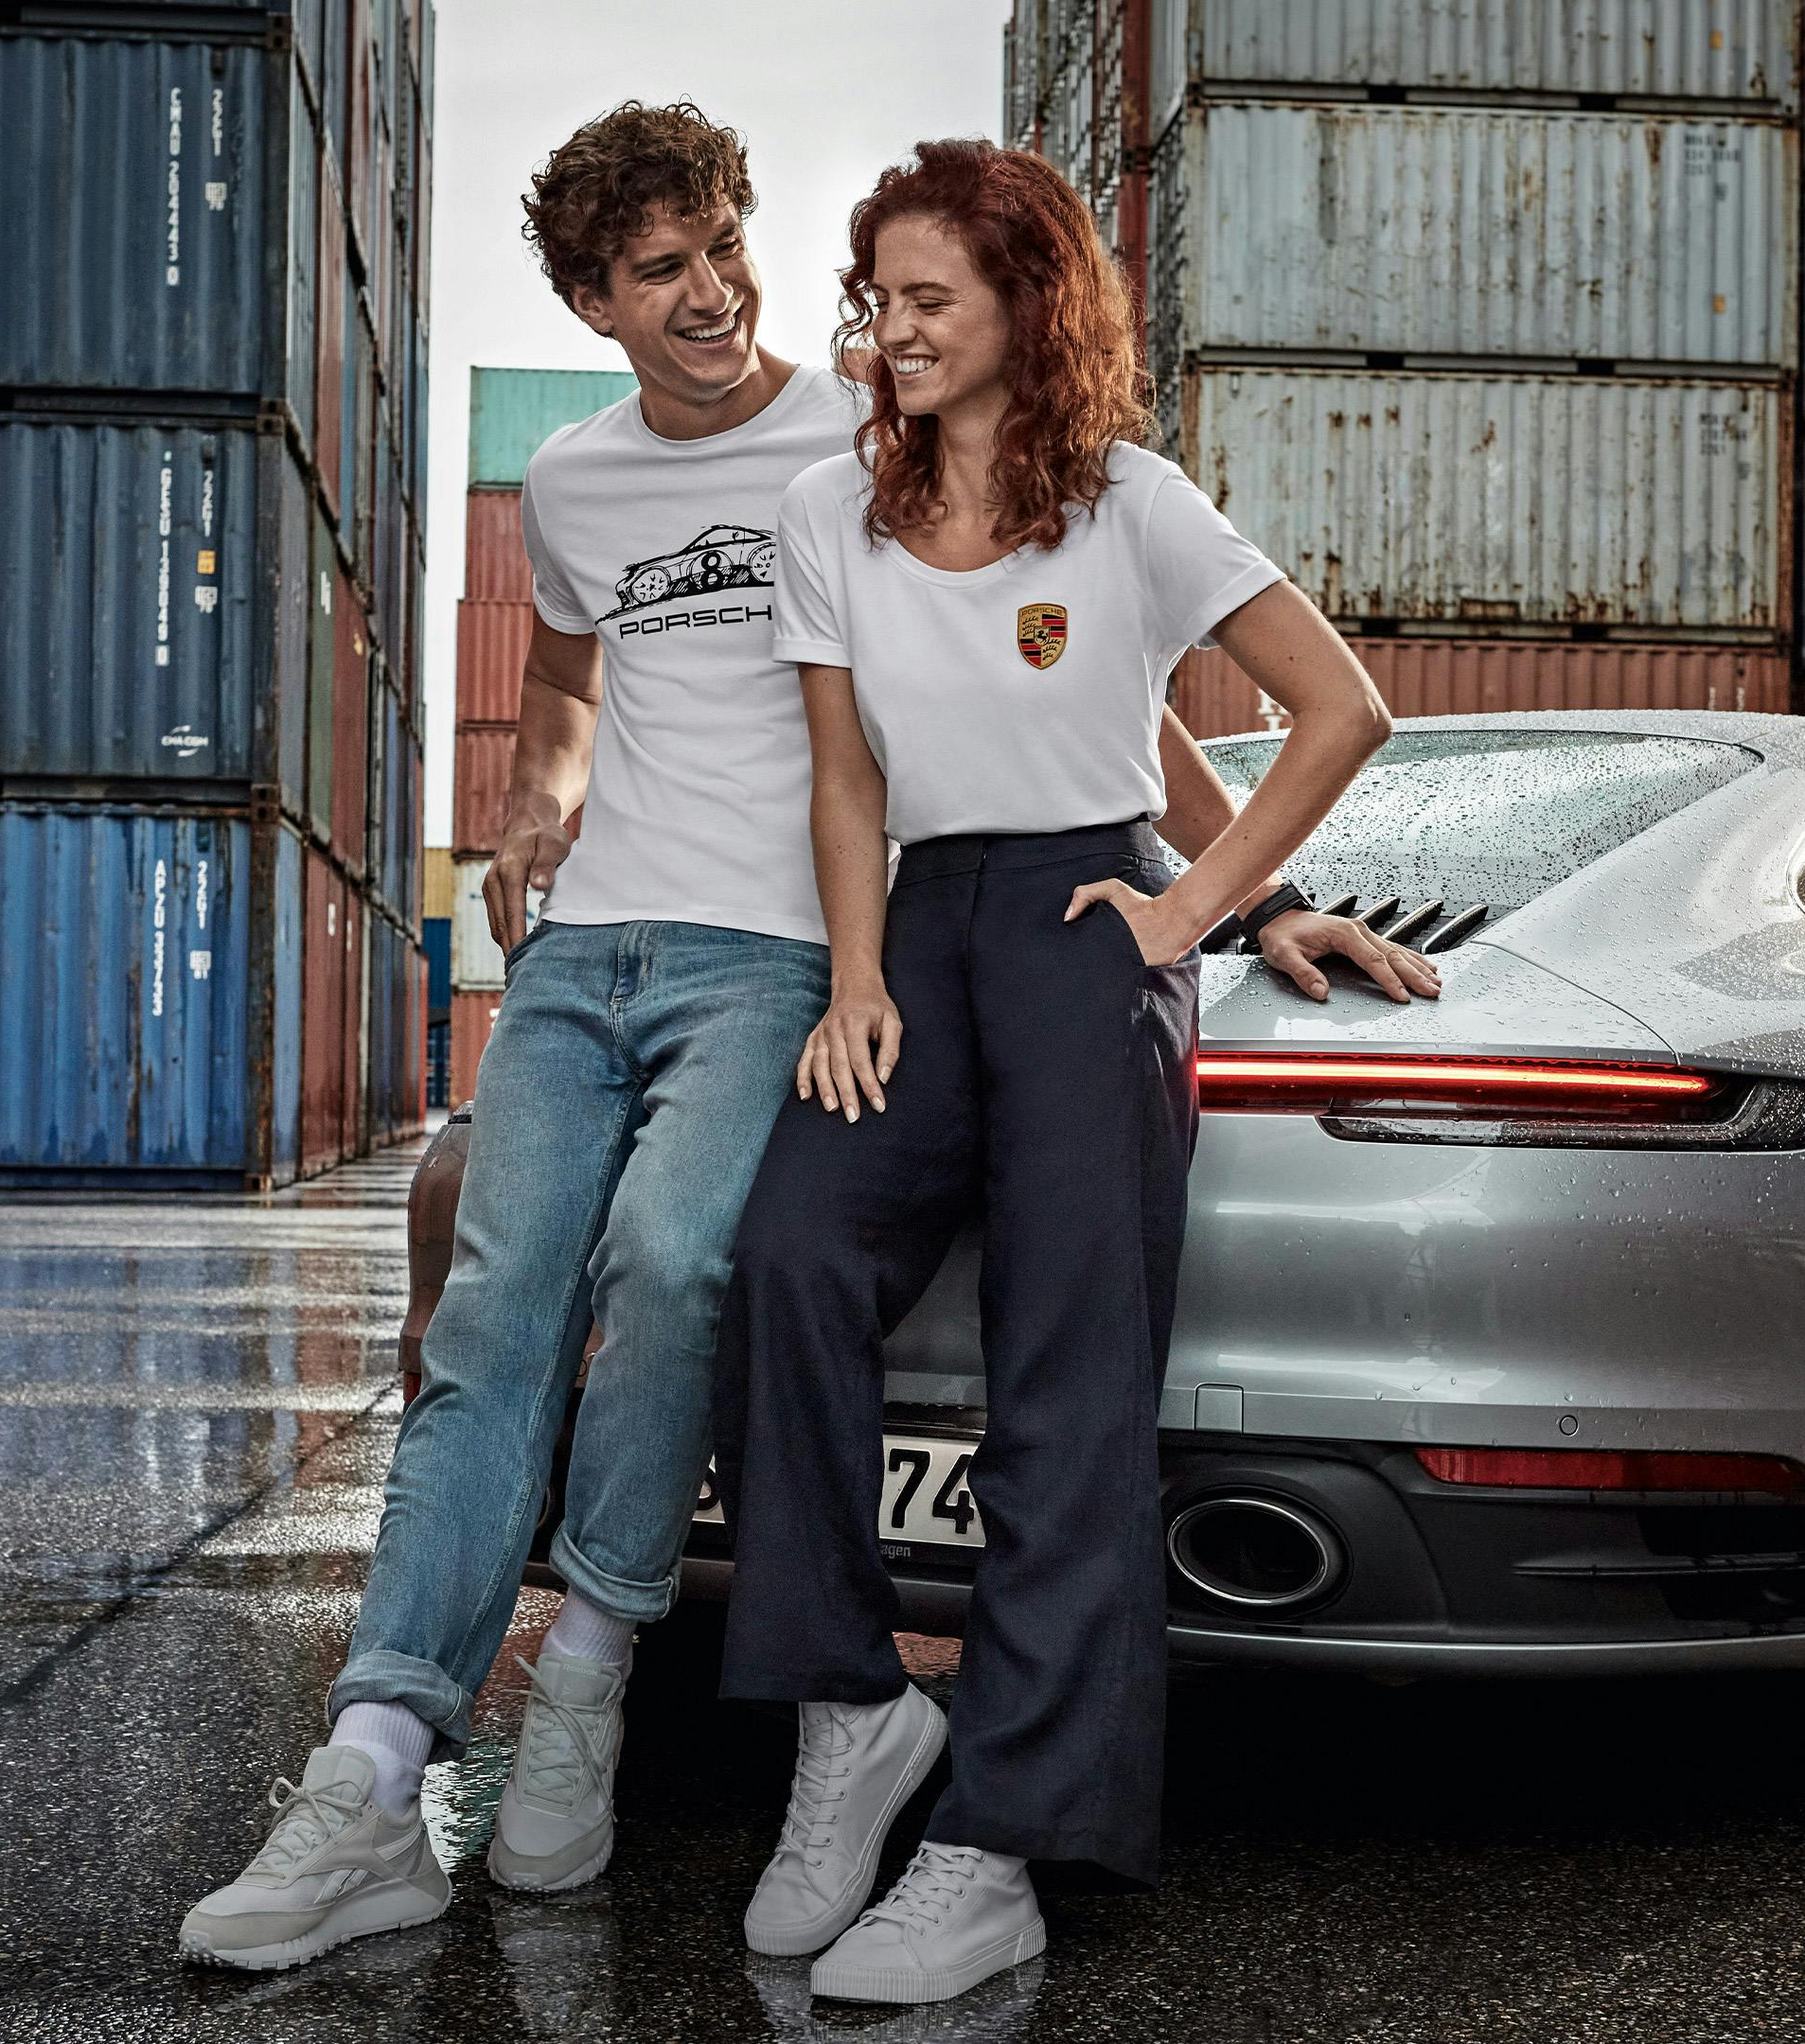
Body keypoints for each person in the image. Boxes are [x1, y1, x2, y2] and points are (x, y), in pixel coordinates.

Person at [177, 106, 1432, 1976]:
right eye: (665, 272)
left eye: (733, 255)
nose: (740, 301)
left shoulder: (997, 473)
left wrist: (1224, 907)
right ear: (599, 299)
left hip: (936, 940)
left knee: (880, 1325)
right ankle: (608, 1742)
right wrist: (611, 845)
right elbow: (690, 721)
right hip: (746, 940)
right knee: (636, 1288)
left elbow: (1154, 704)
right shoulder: (707, 491)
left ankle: (816, 1765)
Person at [715, 139, 1398, 2006]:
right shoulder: (825, 518)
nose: (896, 330)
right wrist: (854, 980)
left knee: (1067, 1381)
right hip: (919, 927)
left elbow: (1337, 712)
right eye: (881, 298)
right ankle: (853, 1713)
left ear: (1029, 305)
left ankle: (1002, 1844)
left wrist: (1206, 920)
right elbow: (847, 778)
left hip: (1088, 930)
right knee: (783, 1258)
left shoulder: (1131, 506)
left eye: (932, 297)